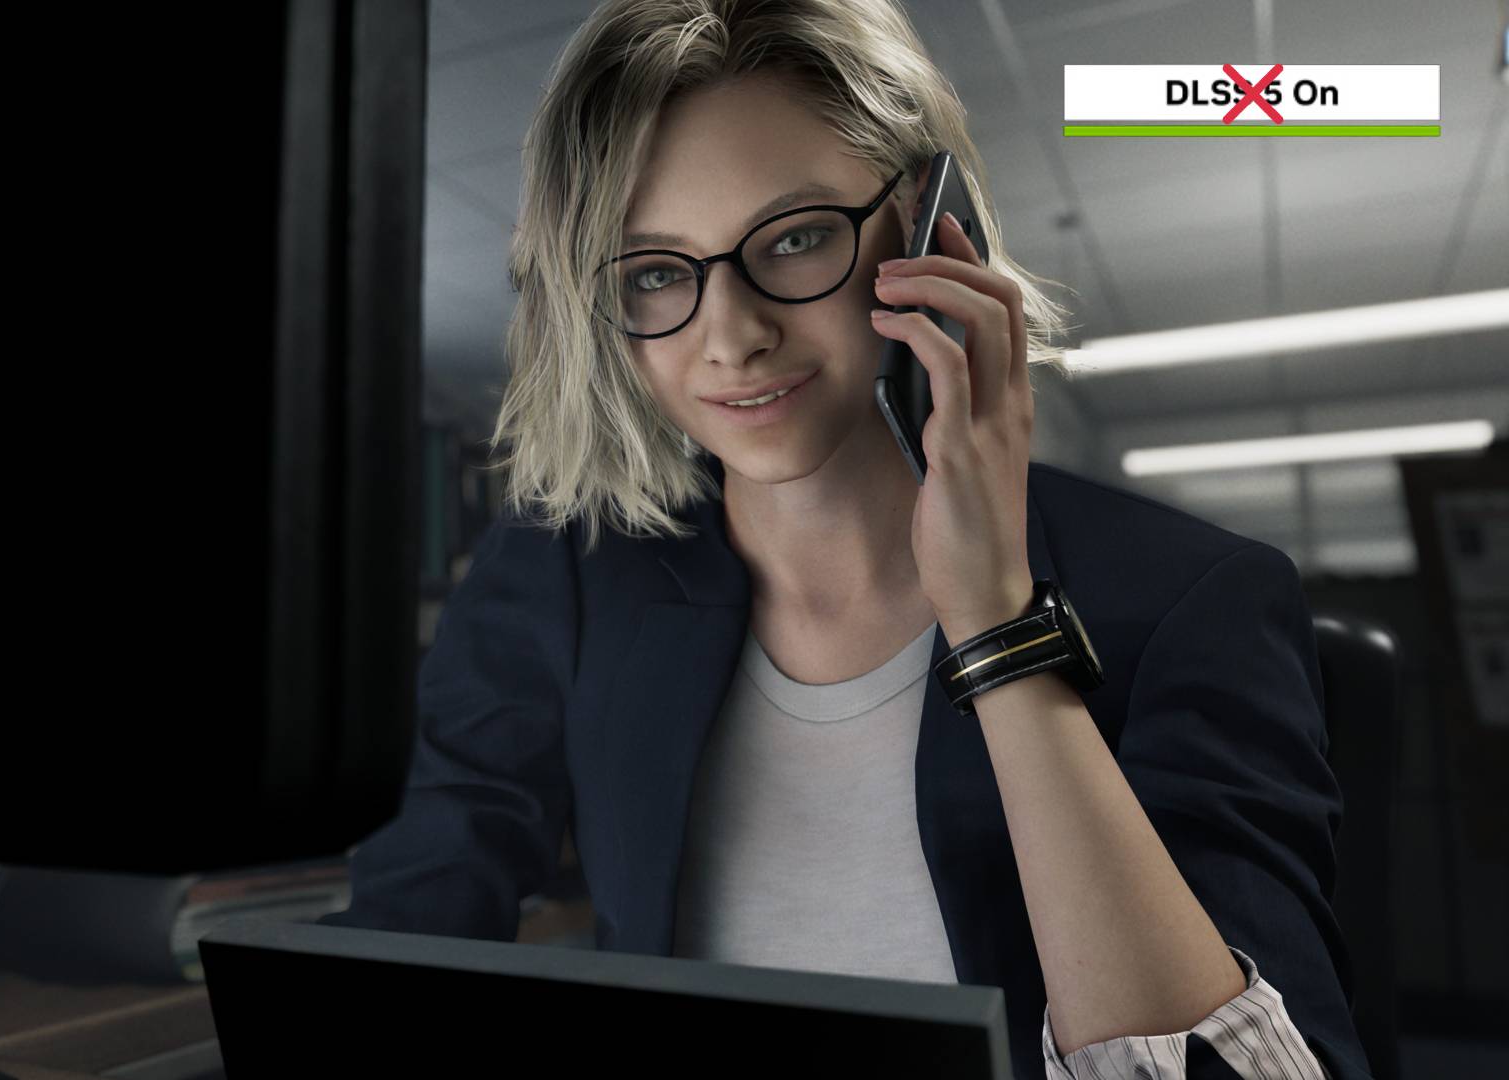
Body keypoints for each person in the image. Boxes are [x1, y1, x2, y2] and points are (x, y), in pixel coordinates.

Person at [320, 3, 1369, 1077]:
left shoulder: (1192, 595)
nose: (731, 335)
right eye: (654, 273)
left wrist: (996, 625)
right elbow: (409, 937)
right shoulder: (565, 574)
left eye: (795, 239)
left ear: (924, 222)